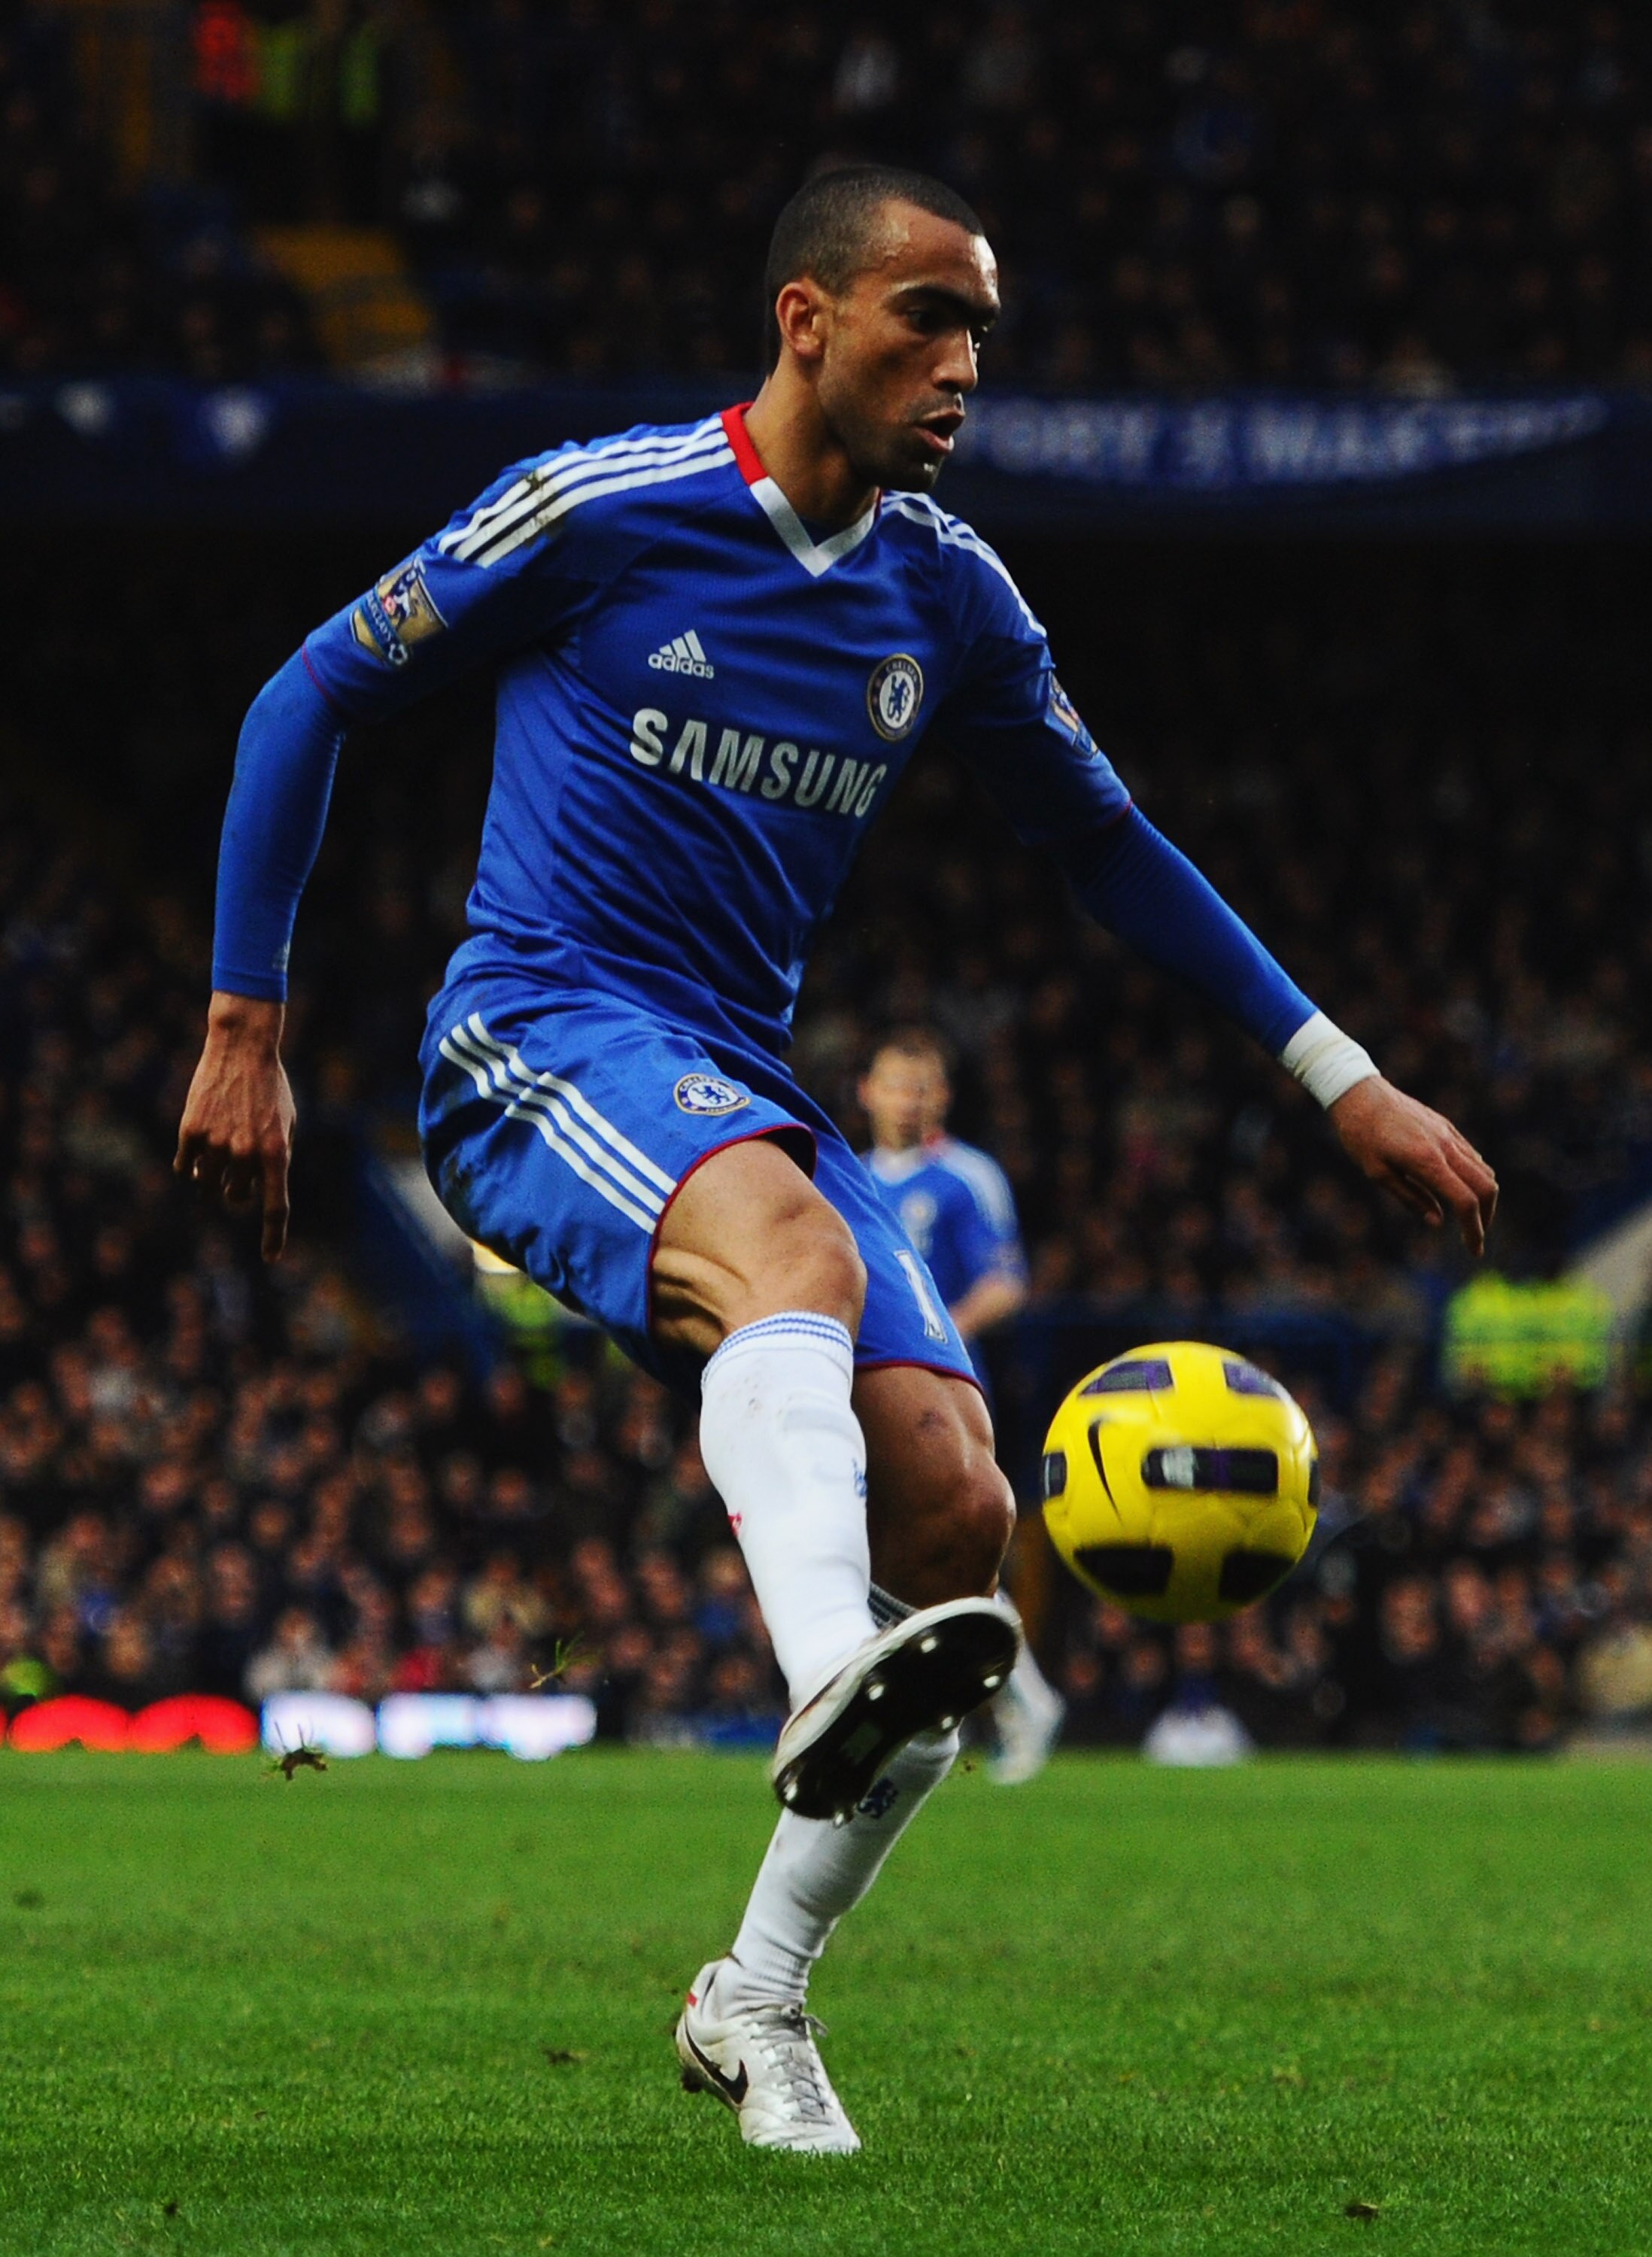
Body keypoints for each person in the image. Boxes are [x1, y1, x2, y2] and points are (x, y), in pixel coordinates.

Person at [175, 163, 1497, 2155]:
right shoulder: (602, 509)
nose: (964, 366)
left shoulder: (947, 593)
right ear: (806, 321)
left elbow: (1107, 844)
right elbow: (314, 687)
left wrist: (1342, 1078)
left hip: (738, 1080)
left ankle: (757, 1996)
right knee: (791, 1262)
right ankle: (825, 1668)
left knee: (959, 1512)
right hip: (536, 1031)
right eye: (927, 319)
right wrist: (242, 1022)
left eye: (982, 332)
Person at [858, 1025, 1065, 1785]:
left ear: (942, 1097)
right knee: (879, 1557)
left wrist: (935, 1330)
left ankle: (1011, 1701)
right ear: (867, 1093)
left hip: (942, 1390)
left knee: (940, 1553)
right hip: (862, 1385)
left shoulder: (967, 1177)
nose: (908, 1101)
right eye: (895, 1085)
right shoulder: (848, 1176)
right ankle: (999, 1701)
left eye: (921, 1088)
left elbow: (1006, 1282)